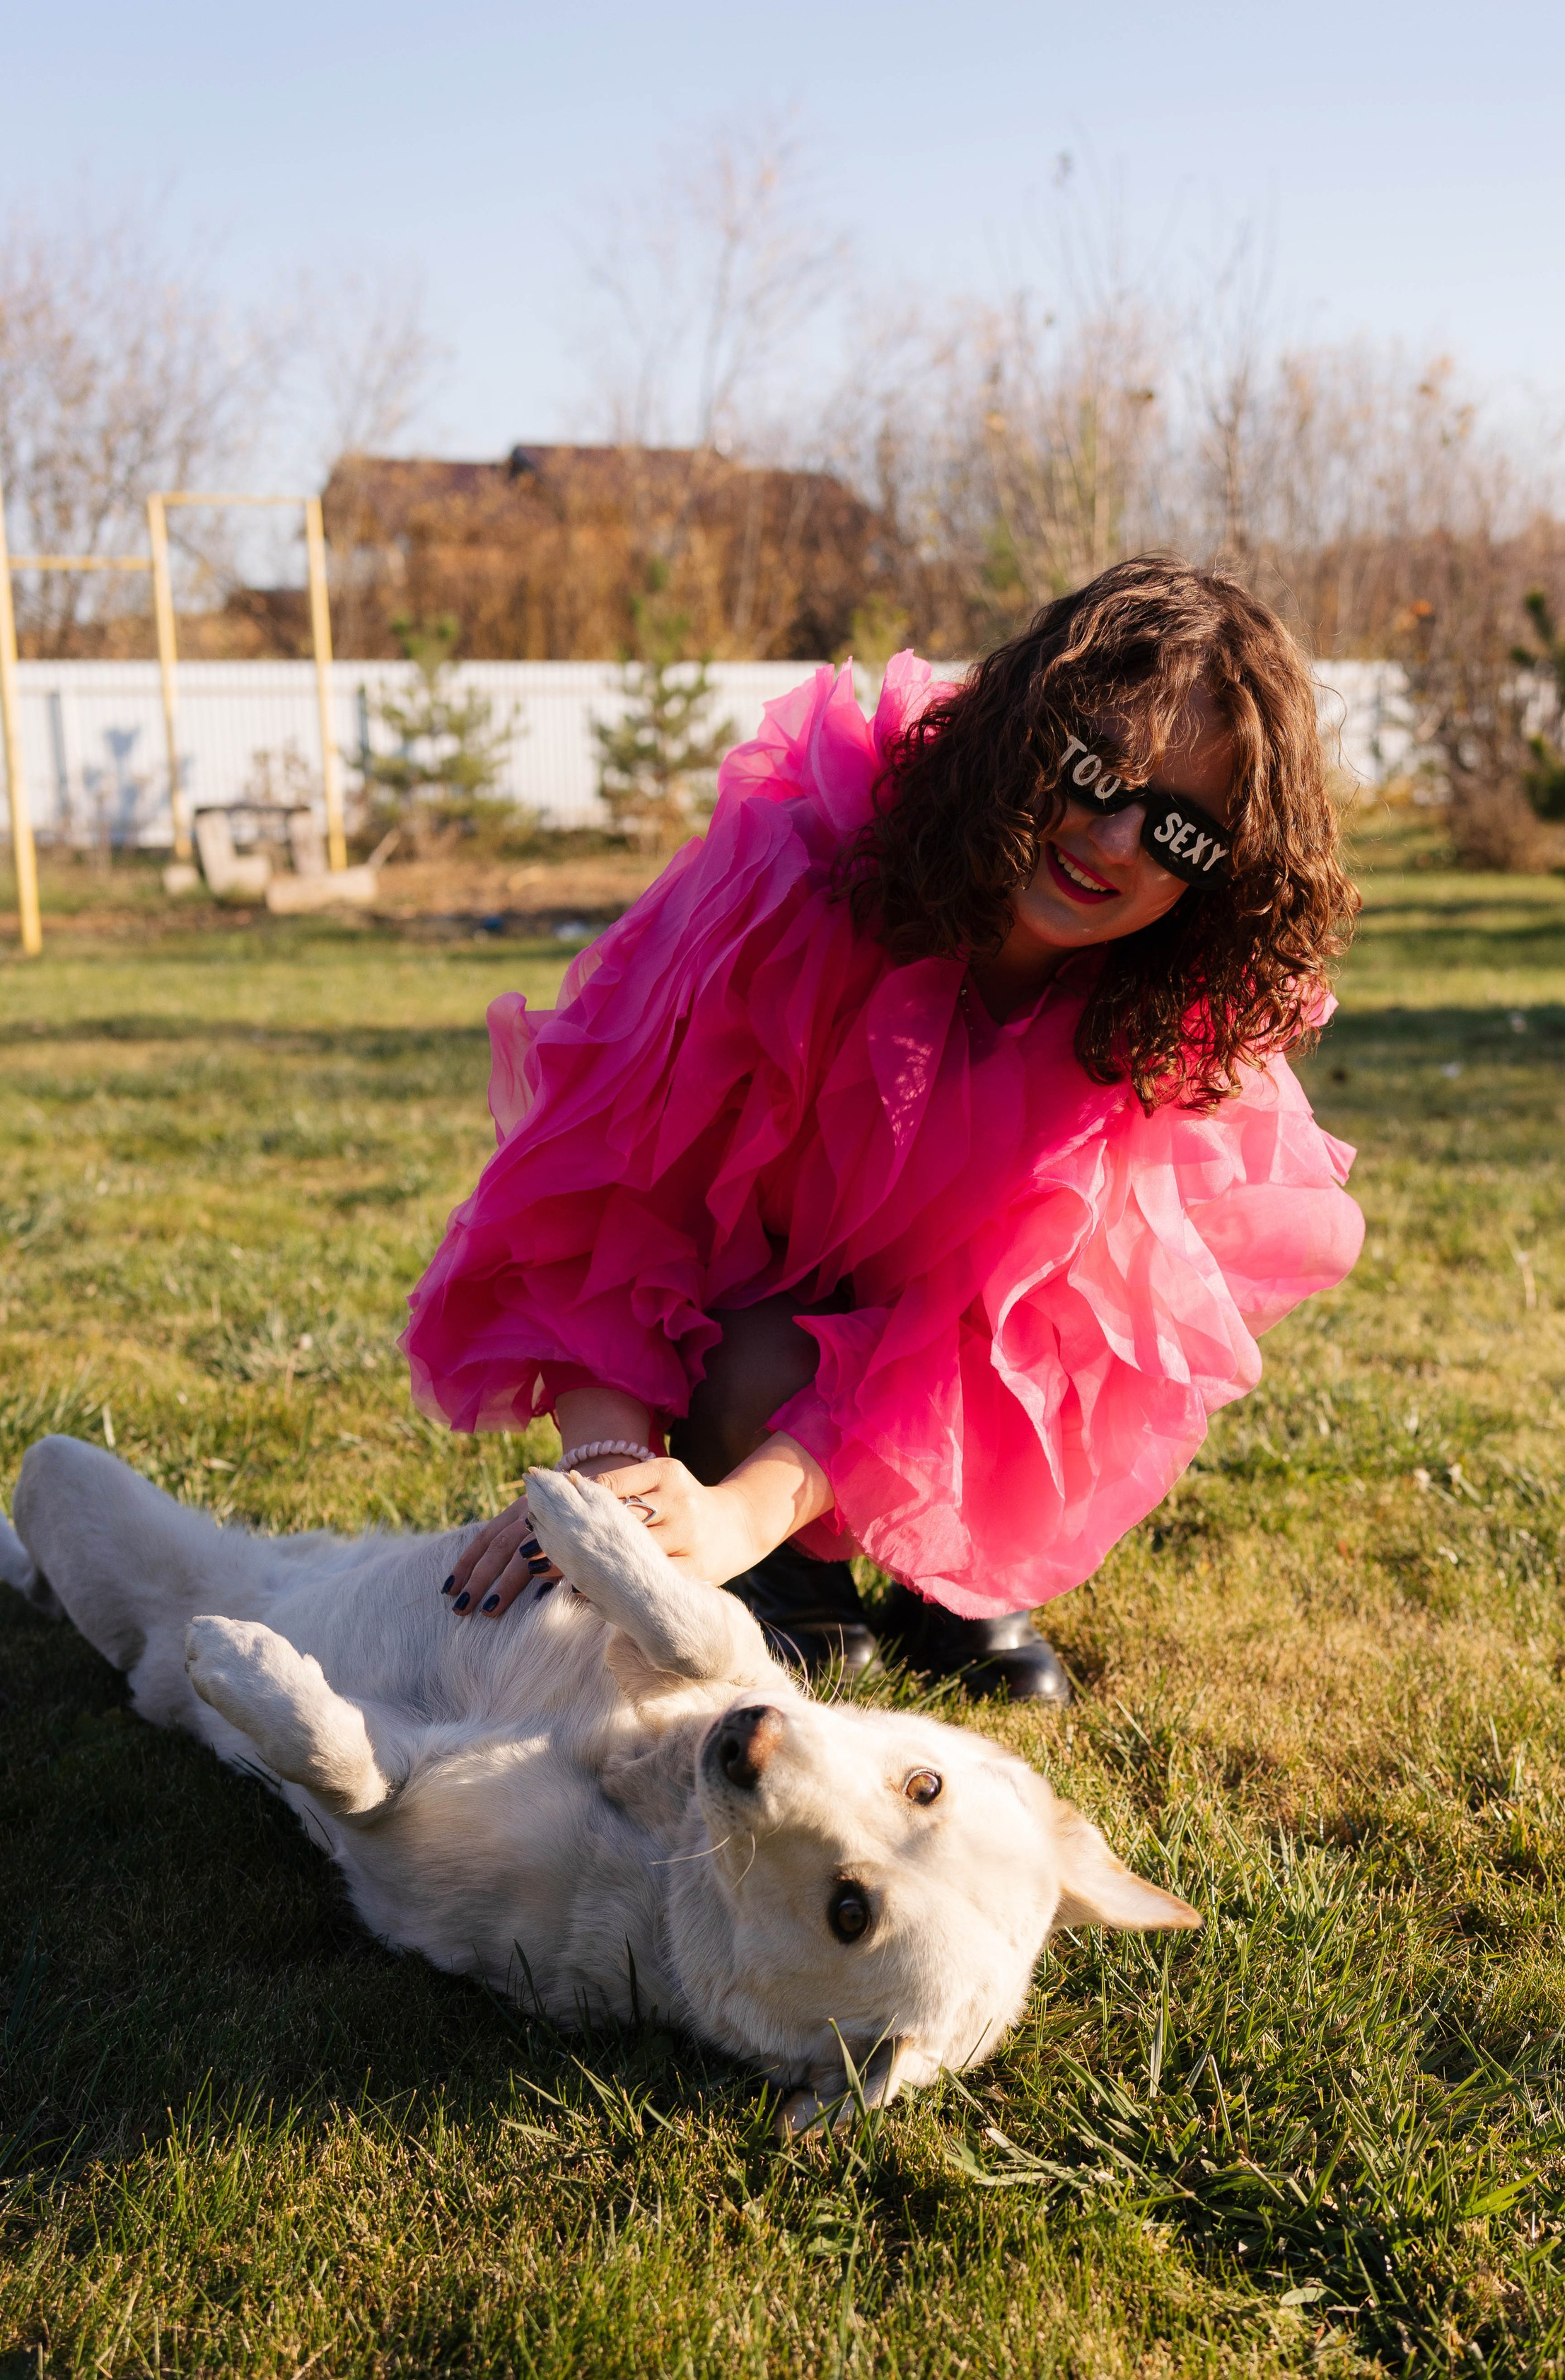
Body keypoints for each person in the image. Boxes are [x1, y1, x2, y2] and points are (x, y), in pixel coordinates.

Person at [405, 555, 1364, 1702]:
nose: (1117, 841)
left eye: (1182, 833)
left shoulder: (1161, 1034)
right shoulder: (796, 879)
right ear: (1028, 735)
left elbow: (981, 1338)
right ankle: (791, 1575)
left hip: (930, 1377)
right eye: (1097, 771)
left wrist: (747, 1510)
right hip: (747, 1337)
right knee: (760, 1359)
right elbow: (607, 1198)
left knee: (1049, 1339)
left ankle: (943, 1562)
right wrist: (613, 1476)